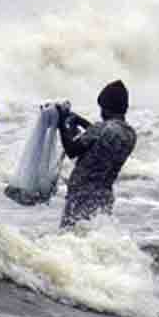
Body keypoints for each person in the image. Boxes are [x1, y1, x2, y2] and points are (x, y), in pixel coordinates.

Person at [57, 80, 137, 228]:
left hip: (81, 195)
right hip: (104, 197)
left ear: (106, 108)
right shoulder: (130, 134)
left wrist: (61, 124)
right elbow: (103, 137)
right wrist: (80, 121)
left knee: (71, 238)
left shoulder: (101, 129)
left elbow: (71, 150)